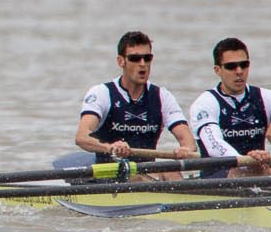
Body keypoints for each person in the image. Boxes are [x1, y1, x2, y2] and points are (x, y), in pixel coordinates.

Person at [73, 30, 196, 162]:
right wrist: (110, 148)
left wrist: (185, 150)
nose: (142, 64)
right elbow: (82, 137)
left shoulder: (162, 96)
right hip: (110, 173)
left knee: (170, 171)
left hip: (147, 173)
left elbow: (189, 143)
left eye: (147, 58)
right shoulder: (102, 93)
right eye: (135, 58)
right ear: (121, 61)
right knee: (139, 177)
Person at [185, 38, 271, 177]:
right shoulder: (205, 103)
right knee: (238, 172)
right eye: (231, 66)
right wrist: (246, 162)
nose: (239, 71)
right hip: (219, 176)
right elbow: (214, 145)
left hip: (258, 170)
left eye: (244, 65)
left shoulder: (265, 97)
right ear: (218, 70)